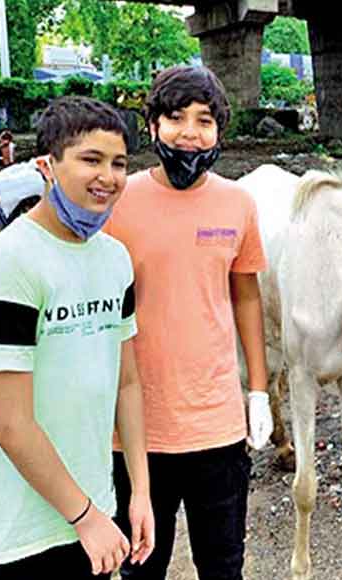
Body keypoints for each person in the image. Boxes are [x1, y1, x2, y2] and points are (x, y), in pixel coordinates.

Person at [0, 96, 154, 579]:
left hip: (94, 513)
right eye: (91, 160)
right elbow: (11, 424)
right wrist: (84, 516)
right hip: (20, 533)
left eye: (119, 163)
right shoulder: (10, 264)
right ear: (46, 166)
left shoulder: (115, 259)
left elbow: (127, 383)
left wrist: (140, 492)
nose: (108, 176)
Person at [104, 65, 272, 580]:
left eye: (204, 120)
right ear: (152, 126)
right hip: (132, 430)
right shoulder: (115, 199)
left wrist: (259, 391)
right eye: (175, 118)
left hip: (217, 426)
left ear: (221, 130)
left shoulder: (238, 203)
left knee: (222, 566)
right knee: (140, 567)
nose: (189, 133)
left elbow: (245, 295)